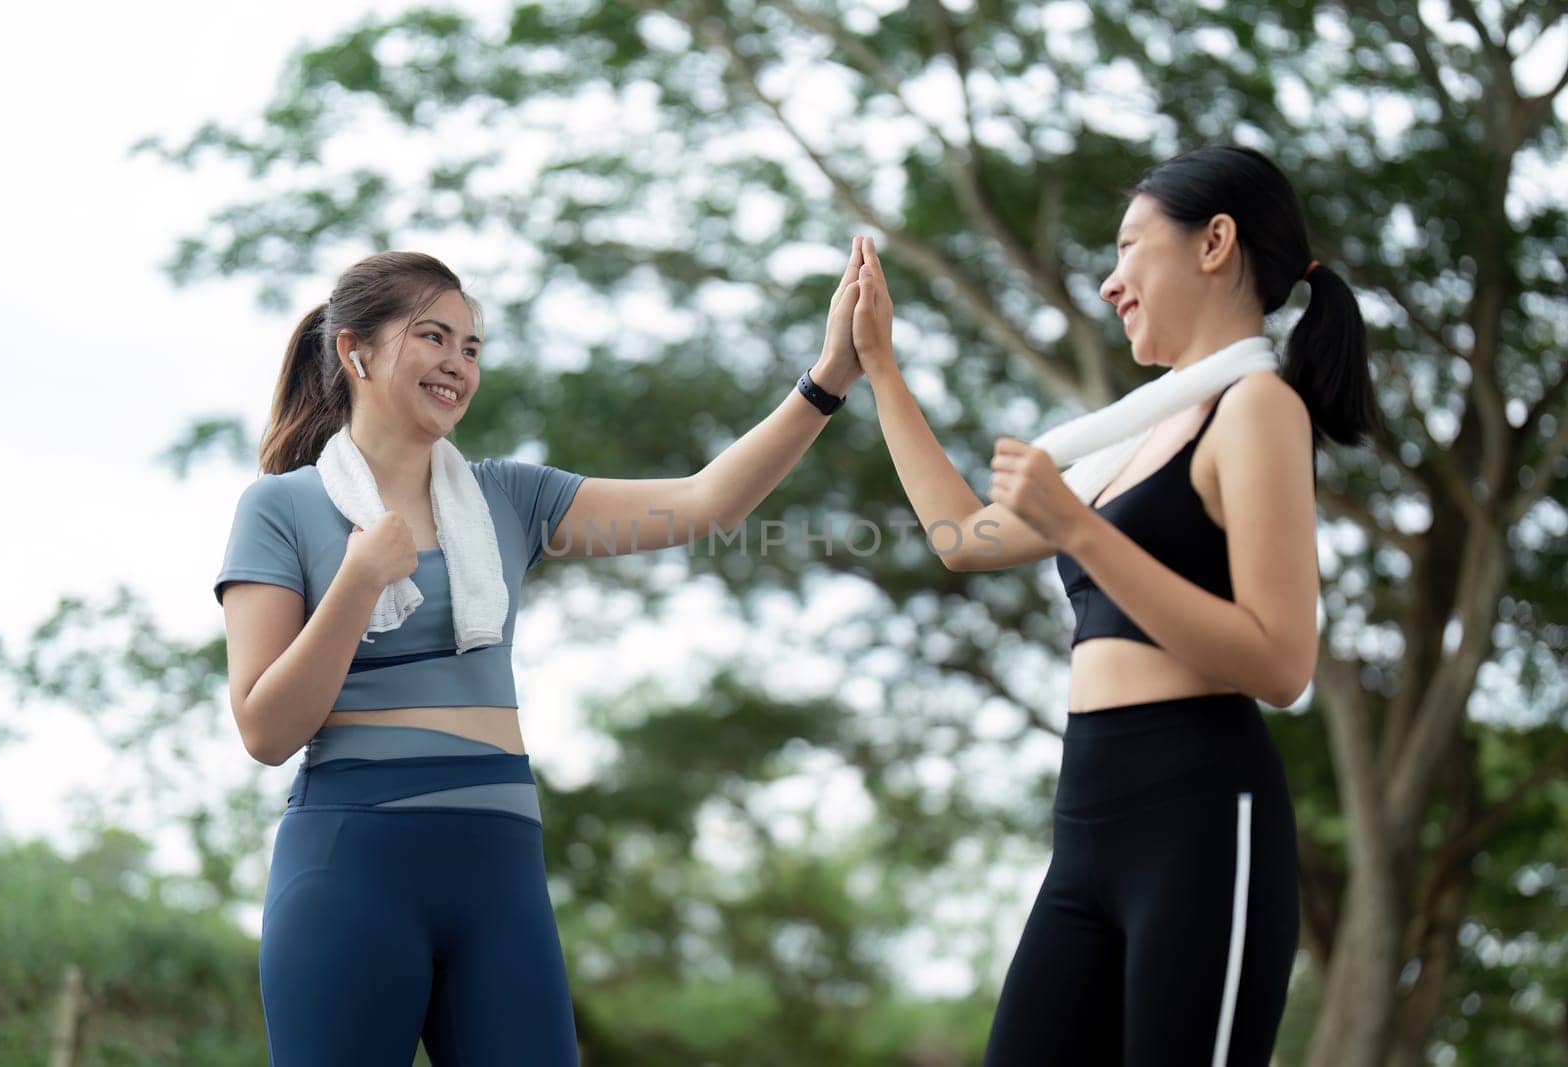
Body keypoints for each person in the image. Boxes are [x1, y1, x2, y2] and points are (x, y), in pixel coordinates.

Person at [213, 244, 867, 1065]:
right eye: (434, 337)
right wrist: (356, 583)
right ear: (357, 350)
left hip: (500, 874)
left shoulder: (507, 499)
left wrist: (828, 377)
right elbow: (265, 730)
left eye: (472, 346)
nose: (458, 363)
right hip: (351, 868)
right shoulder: (281, 507)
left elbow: (707, 501)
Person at [848, 144, 1381, 1065]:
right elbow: (964, 538)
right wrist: (880, 370)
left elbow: (1282, 660)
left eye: (1131, 246)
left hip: (1203, 813)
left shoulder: (1257, 408)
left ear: (1214, 243)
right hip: (1088, 818)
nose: (1108, 282)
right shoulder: (1128, 435)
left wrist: (1084, 533)